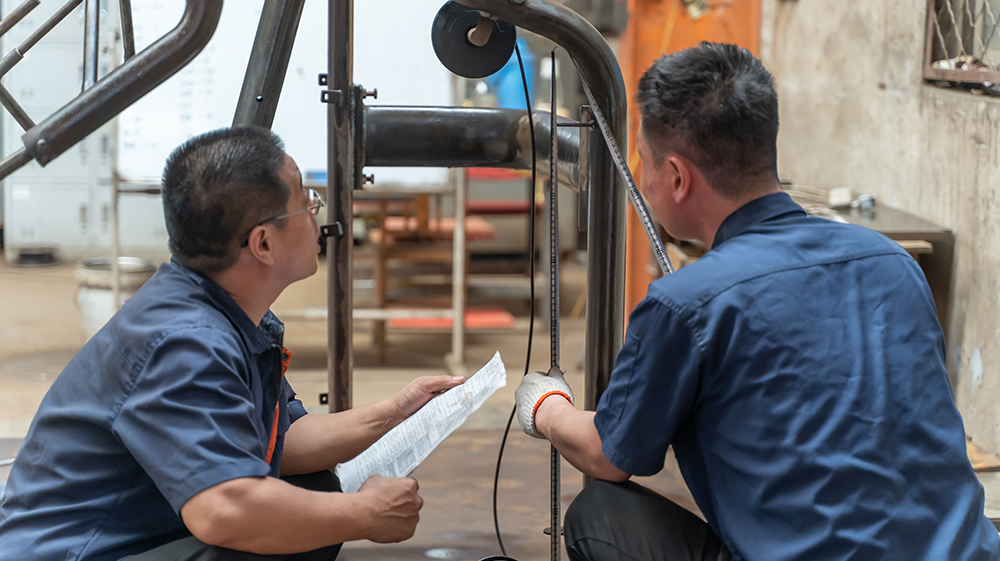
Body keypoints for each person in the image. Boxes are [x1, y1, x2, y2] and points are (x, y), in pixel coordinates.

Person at [514, 42, 1000, 560]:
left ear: (677, 177)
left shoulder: (685, 304)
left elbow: (607, 455)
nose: (641, 175)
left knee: (599, 514)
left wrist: (546, 407)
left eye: (644, 158)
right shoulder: (892, 261)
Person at [0, 127, 464, 561]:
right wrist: (367, 513)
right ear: (263, 244)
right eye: (306, 201)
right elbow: (223, 509)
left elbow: (278, 440)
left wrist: (397, 413)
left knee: (314, 491)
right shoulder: (187, 344)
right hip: (76, 552)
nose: (315, 212)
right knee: (270, 529)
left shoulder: (226, 311)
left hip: (133, 533)